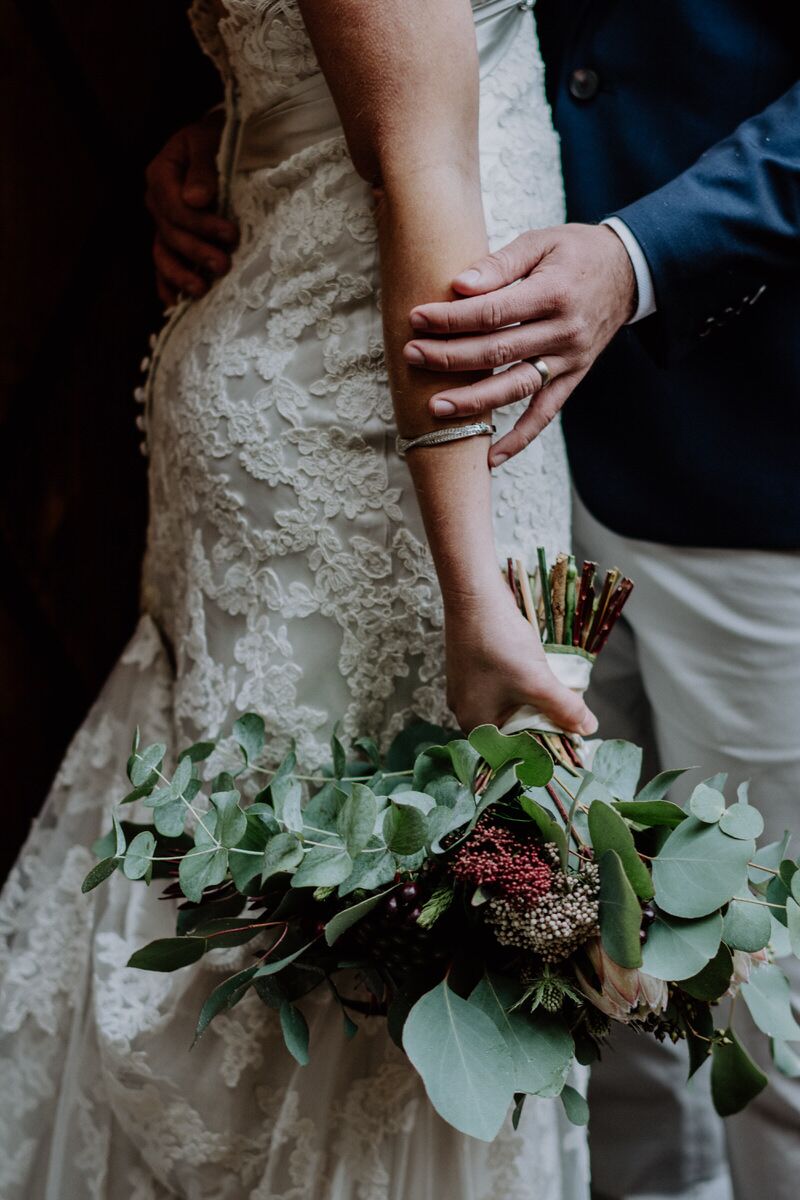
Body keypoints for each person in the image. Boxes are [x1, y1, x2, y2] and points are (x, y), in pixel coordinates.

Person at [0, 2, 595, 1197]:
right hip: (395, 457)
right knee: (344, 958)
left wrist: (243, 125)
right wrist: (473, 599)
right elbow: (417, 161)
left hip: (352, 415)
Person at [395, 6, 800, 1200]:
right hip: (502, 471)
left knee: (770, 1001)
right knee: (583, 982)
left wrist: (639, 257)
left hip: (756, 449)